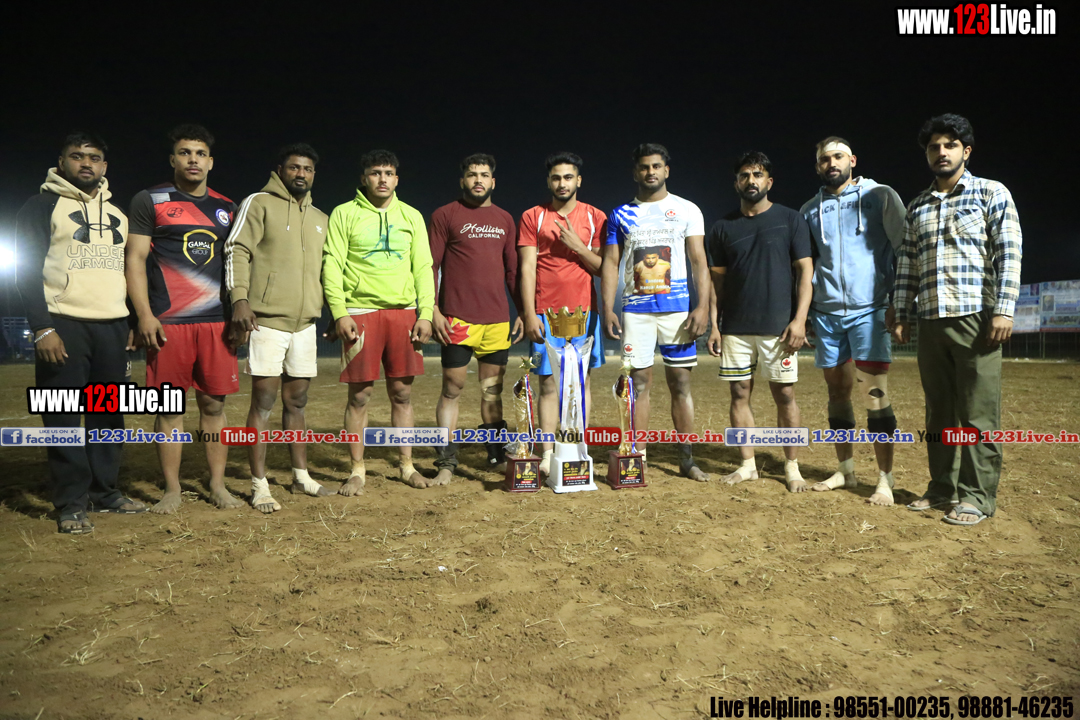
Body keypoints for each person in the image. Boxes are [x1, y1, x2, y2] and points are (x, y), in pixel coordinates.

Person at [891, 114, 1022, 526]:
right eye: (934, 146)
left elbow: (1009, 253)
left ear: (966, 151)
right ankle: (941, 488)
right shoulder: (918, 206)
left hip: (976, 319)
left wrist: (1003, 309)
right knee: (939, 413)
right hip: (931, 320)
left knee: (978, 413)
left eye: (950, 145)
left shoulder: (990, 193)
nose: (941, 152)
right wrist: (901, 311)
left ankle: (977, 497)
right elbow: (908, 264)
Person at [15, 132, 148, 533]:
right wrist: (42, 328)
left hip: (111, 327)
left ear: (104, 166)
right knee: (63, 415)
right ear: (62, 162)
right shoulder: (41, 206)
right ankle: (71, 503)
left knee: (108, 414)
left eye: (94, 157)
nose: (86, 163)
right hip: (63, 324)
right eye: (77, 156)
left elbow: (125, 272)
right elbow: (26, 271)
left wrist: (129, 321)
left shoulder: (118, 214)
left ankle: (105, 492)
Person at [126, 124, 244, 514]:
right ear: (173, 159)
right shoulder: (150, 200)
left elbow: (237, 264)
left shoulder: (227, 208)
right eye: (185, 152)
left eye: (200, 153)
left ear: (211, 162)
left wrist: (238, 314)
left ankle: (217, 484)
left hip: (216, 324)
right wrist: (143, 315)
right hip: (168, 324)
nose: (193, 159)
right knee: (169, 409)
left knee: (213, 407)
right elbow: (134, 259)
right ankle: (172, 489)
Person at [225, 143, 331, 513]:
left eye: (308, 169)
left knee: (297, 401)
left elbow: (326, 270)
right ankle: (259, 485)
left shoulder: (320, 217)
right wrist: (240, 299)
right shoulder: (259, 203)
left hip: (305, 324)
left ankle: (301, 476)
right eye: (294, 167)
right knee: (264, 402)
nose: (301, 174)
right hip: (266, 320)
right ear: (280, 170)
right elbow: (237, 249)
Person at [800, 137, 905, 505]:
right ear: (818, 166)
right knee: (836, 394)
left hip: (869, 310)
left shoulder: (880, 196)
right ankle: (845, 471)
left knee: (874, 394)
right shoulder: (809, 210)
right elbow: (806, 266)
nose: (832, 163)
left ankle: (885, 479)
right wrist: (806, 314)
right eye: (824, 159)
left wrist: (898, 301)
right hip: (827, 315)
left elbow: (904, 247)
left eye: (838, 156)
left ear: (853, 160)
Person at [322, 149, 434, 493]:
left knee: (402, 393)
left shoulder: (411, 216)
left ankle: (406, 465)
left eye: (388, 173)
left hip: (404, 313)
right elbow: (332, 264)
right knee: (360, 395)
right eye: (375, 173)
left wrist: (425, 314)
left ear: (396, 179)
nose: (382, 179)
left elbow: (423, 267)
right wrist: (339, 312)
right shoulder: (344, 213)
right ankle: (357, 469)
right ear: (364, 178)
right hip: (360, 313)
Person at [603, 143, 711, 481]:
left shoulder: (687, 209)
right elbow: (610, 263)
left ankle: (687, 458)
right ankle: (638, 456)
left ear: (666, 170)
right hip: (636, 312)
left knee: (681, 382)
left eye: (656, 166)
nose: (650, 172)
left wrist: (703, 306)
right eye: (644, 167)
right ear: (635, 172)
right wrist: (607, 308)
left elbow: (699, 262)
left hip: (677, 311)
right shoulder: (619, 214)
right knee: (638, 383)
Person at [707, 151, 814, 492]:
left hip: (778, 328)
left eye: (757, 174)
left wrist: (799, 321)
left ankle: (792, 466)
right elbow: (716, 284)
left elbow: (806, 272)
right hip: (735, 328)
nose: (750, 180)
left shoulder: (791, 219)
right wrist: (714, 325)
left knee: (785, 395)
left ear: (769, 181)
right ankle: (747, 465)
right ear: (736, 182)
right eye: (744, 175)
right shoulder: (722, 227)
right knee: (739, 393)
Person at [429, 153, 522, 483]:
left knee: (492, 391)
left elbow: (512, 271)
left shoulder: (505, 219)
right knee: (452, 388)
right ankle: (446, 461)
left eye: (484, 175)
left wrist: (522, 311)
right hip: (457, 319)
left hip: (496, 321)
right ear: (463, 180)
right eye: (472, 174)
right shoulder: (445, 215)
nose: (478, 180)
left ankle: (496, 456)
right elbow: (430, 266)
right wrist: (432, 310)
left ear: (493, 181)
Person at [517, 152, 607, 475]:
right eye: (556, 177)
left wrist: (578, 246)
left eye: (568, 177)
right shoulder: (533, 216)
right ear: (548, 181)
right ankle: (546, 453)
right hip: (545, 314)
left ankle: (576, 446)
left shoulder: (596, 217)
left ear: (578, 180)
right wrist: (529, 314)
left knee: (581, 384)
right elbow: (527, 268)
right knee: (547, 385)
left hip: (584, 314)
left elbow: (602, 268)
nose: (562, 183)